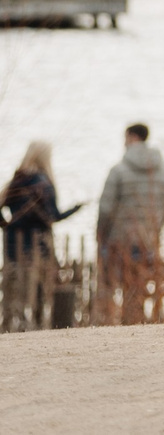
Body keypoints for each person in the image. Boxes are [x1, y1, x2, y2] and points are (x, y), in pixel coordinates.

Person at [96, 122, 164, 325]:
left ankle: (113, 325)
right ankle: (136, 324)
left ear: (132, 137)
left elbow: (106, 208)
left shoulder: (118, 171)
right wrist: (154, 230)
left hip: (119, 241)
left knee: (111, 286)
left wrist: (101, 234)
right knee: (138, 288)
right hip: (148, 239)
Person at [3, 141, 80, 331]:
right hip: (38, 242)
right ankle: (35, 326)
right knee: (37, 288)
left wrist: (8, 225)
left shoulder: (16, 181)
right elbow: (52, 216)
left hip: (13, 242)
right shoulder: (43, 183)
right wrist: (74, 209)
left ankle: (13, 325)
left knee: (14, 287)